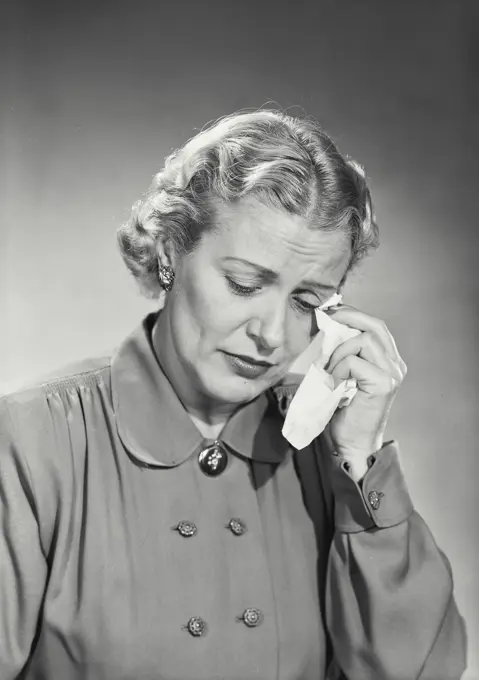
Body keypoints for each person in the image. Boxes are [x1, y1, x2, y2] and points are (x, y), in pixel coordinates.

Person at [0, 110, 467, 680]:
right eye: (245, 285)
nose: (271, 335)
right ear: (170, 251)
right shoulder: (31, 444)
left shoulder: (329, 453)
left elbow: (422, 671)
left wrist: (359, 462)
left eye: (307, 302)